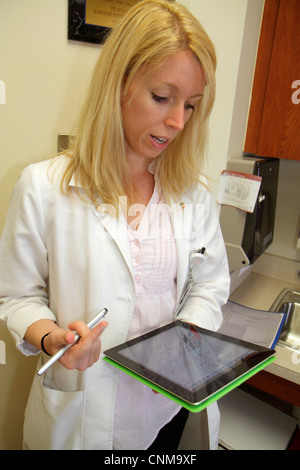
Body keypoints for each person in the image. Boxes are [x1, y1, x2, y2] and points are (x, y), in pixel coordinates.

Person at [0, 0, 230, 450]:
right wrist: (54, 339)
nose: (177, 121)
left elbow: (210, 286)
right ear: (118, 83)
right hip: (81, 422)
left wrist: (185, 339)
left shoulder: (193, 193)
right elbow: (16, 297)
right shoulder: (44, 187)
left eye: (191, 104)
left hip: (168, 413)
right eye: (162, 97)